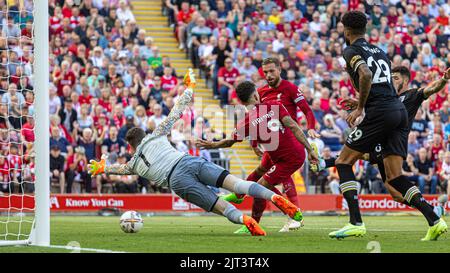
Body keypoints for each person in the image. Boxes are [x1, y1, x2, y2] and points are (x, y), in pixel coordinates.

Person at [88, 70, 303, 236]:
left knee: (220, 205)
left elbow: (120, 170)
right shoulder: (156, 134)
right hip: (189, 162)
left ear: (131, 147)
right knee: (237, 184)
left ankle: (246, 221)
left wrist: (102, 167)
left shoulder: (134, 163)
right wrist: (189, 89)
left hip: (177, 180)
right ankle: (274, 196)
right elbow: (176, 111)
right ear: (145, 134)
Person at [328, 11, 447, 240]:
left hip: (381, 112)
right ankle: (434, 219)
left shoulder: (351, 50)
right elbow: (384, 86)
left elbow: (364, 74)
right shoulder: (380, 51)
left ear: (346, 30)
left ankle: (355, 222)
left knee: (344, 162)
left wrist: (361, 107)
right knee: (394, 177)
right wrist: (362, 100)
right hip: (397, 111)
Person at [196, 80, 319, 233]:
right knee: (260, 172)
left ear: (240, 102)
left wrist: (212, 144)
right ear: (255, 95)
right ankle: (239, 195)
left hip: (289, 159)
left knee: (259, 187)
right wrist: (310, 150)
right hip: (291, 152)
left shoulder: (245, 123)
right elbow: (294, 126)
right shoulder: (274, 105)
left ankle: (285, 214)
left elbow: (228, 143)